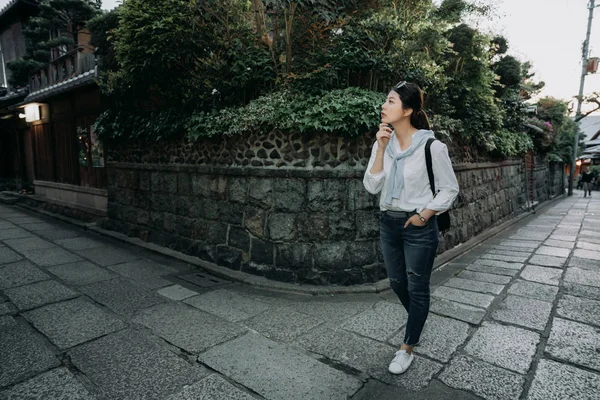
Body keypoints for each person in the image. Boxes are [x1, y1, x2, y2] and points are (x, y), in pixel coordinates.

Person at [363, 81, 459, 375]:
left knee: (417, 287)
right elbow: (371, 185)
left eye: (390, 101)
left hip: (418, 225)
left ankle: (407, 347)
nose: (383, 105)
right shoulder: (383, 143)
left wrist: (424, 215)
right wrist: (380, 149)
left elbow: (449, 189)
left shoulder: (432, 146)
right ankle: (418, 318)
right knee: (396, 283)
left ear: (407, 110)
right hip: (388, 222)